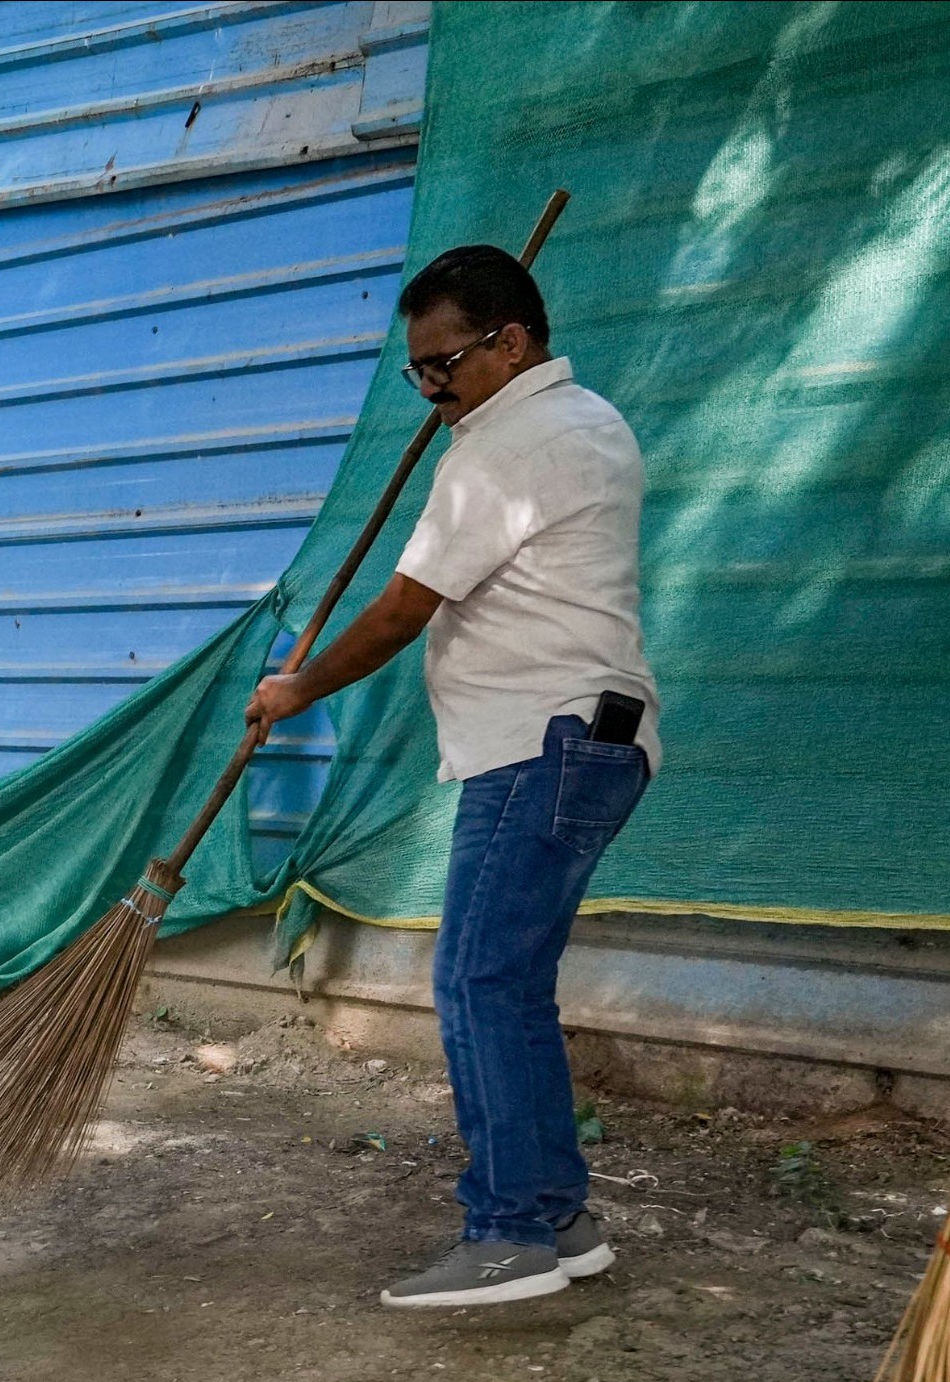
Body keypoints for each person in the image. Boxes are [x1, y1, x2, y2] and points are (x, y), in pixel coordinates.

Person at [244, 242, 657, 1310]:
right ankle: (556, 1215)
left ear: (511, 341)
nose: (430, 389)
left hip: (542, 743)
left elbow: (401, 607)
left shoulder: (505, 447)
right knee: (506, 982)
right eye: (415, 371)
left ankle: (510, 1232)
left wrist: (297, 687)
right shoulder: (586, 421)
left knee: (475, 979)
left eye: (446, 364)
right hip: (590, 740)